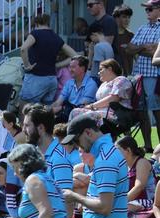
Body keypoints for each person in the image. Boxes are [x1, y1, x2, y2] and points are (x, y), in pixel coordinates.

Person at [22, 104, 74, 218]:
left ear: (41, 128)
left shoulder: (59, 158)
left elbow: (66, 199)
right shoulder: (34, 154)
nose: (23, 130)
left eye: (27, 125)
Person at [124, 0, 160, 152]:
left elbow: (155, 54)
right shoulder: (143, 27)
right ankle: (148, 146)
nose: (147, 12)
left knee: (157, 112)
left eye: (150, 9)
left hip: (154, 76)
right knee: (142, 113)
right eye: (146, 10)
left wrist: (140, 49)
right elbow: (129, 49)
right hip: (139, 76)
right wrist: (146, 47)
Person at [20, 14, 77, 107]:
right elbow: (75, 55)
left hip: (36, 77)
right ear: (48, 23)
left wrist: (27, 65)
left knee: (25, 106)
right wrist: (57, 65)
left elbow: (23, 49)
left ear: (36, 23)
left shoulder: (35, 34)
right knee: (45, 111)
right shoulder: (55, 37)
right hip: (51, 79)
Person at [67, 59, 133, 130]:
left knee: (85, 116)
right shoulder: (104, 84)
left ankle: (77, 137)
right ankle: (73, 137)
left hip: (115, 114)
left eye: (101, 69)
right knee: (75, 112)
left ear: (110, 69)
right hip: (101, 112)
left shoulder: (120, 80)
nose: (98, 73)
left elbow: (113, 98)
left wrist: (92, 106)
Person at [115, 136, 156, 218]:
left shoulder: (141, 162)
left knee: (119, 211)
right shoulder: (124, 166)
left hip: (147, 202)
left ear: (128, 150)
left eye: (117, 151)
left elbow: (139, 187)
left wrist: (121, 201)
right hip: (133, 201)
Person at [50, 55, 98, 123]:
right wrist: (48, 110)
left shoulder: (91, 84)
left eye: (73, 67)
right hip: (67, 114)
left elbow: (82, 106)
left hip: (82, 118)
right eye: (70, 67)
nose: (70, 70)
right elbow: (58, 102)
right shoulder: (69, 83)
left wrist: (61, 108)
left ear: (82, 68)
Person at [113, 5, 134, 76]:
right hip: (112, 74)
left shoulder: (131, 35)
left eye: (129, 17)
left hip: (127, 75)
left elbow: (136, 56)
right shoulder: (110, 35)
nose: (127, 20)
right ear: (117, 18)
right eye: (124, 17)